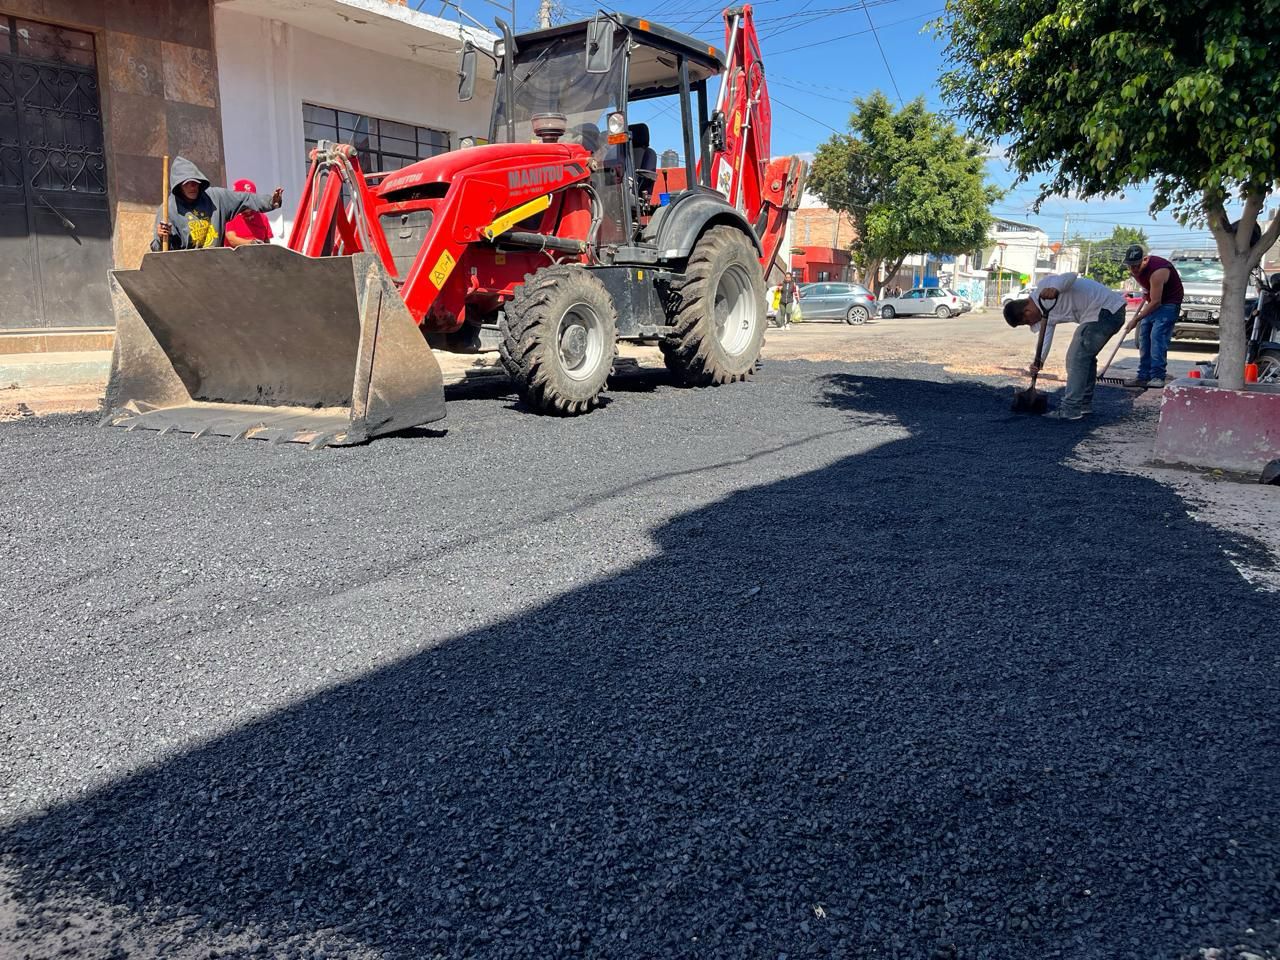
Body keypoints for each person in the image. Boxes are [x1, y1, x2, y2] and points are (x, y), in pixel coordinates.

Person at [1003, 271, 1127, 420]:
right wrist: (1039, 361)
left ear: (1027, 311)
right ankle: (1083, 405)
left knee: (1076, 358)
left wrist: (1055, 289)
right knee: (1084, 357)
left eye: (1026, 322)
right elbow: (1045, 337)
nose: (1030, 325)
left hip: (1106, 310)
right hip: (1103, 313)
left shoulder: (1044, 286)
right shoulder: (1044, 314)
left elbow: (1071, 276)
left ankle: (1071, 409)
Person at [153, 157, 282, 251]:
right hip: (186, 270)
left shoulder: (216, 197)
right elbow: (158, 251)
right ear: (179, 186)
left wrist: (271, 202)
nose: (192, 187)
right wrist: (162, 237)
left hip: (215, 265)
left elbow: (245, 198)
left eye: (195, 182)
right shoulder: (168, 209)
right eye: (187, 183)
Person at [1120, 243, 1183, 388]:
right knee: (1144, 339)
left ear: (1145, 260)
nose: (1133, 269)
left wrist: (1136, 319)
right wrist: (1146, 292)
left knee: (1157, 338)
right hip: (1153, 301)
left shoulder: (1158, 271)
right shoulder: (1134, 270)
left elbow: (1156, 302)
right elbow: (1148, 290)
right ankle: (1143, 376)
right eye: (1130, 266)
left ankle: (1157, 377)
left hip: (1168, 304)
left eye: (1136, 265)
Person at [224, 179, 274, 247]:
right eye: (243, 198)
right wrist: (251, 243)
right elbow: (231, 239)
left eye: (250, 198)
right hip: (235, 256)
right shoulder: (229, 215)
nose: (247, 202)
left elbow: (267, 242)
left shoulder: (262, 217)